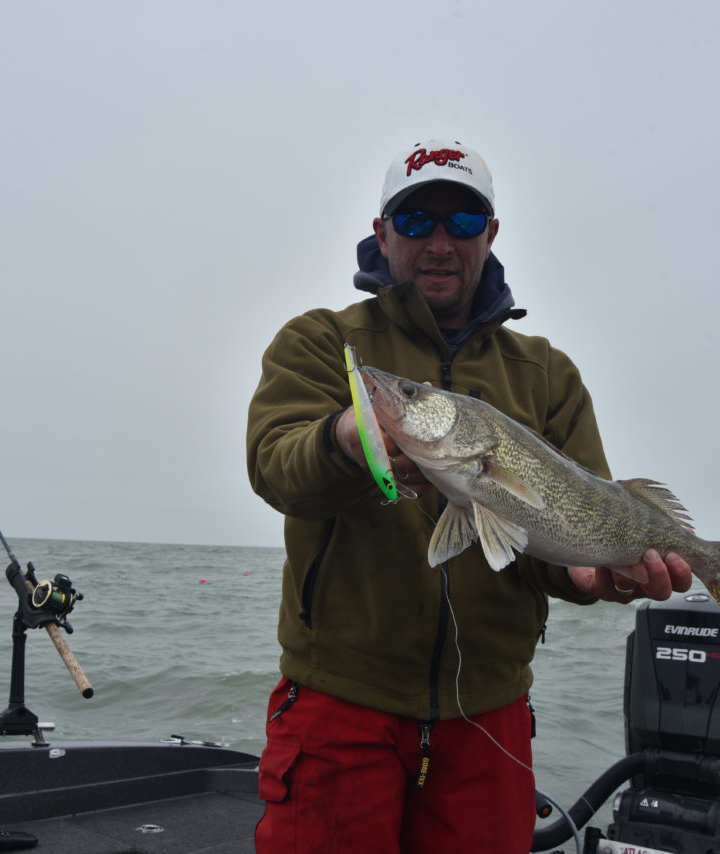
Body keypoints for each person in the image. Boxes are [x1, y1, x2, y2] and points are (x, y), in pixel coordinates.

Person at [245, 139, 692, 853]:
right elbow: (274, 468)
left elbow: (564, 537)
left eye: (462, 221)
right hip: (337, 706)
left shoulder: (548, 375)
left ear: (490, 234)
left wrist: (590, 575)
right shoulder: (325, 344)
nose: (439, 242)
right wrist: (343, 437)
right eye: (416, 222)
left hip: (491, 714)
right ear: (382, 233)